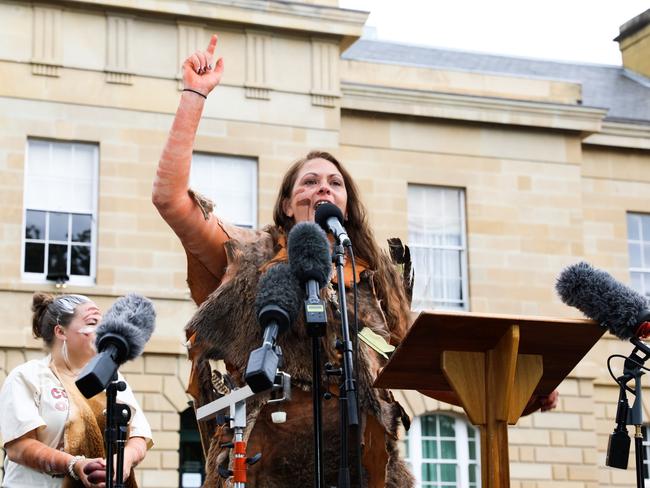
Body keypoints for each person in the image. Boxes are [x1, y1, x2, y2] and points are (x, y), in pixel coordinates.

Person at [153, 34, 414, 487]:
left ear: (346, 206)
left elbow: (418, 359)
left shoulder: (374, 278)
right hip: (263, 466)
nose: (323, 189)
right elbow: (171, 199)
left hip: (361, 467)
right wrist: (194, 96)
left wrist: (516, 389)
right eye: (309, 182)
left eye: (334, 183)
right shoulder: (250, 257)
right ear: (289, 205)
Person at [0, 293, 152, 488]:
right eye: (92, 322)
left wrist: (122, 463)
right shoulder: (28, 377)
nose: (103, 330)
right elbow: (19, 446)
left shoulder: (112, 377)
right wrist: (75, 464)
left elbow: (139, 436)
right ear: (61, 332)